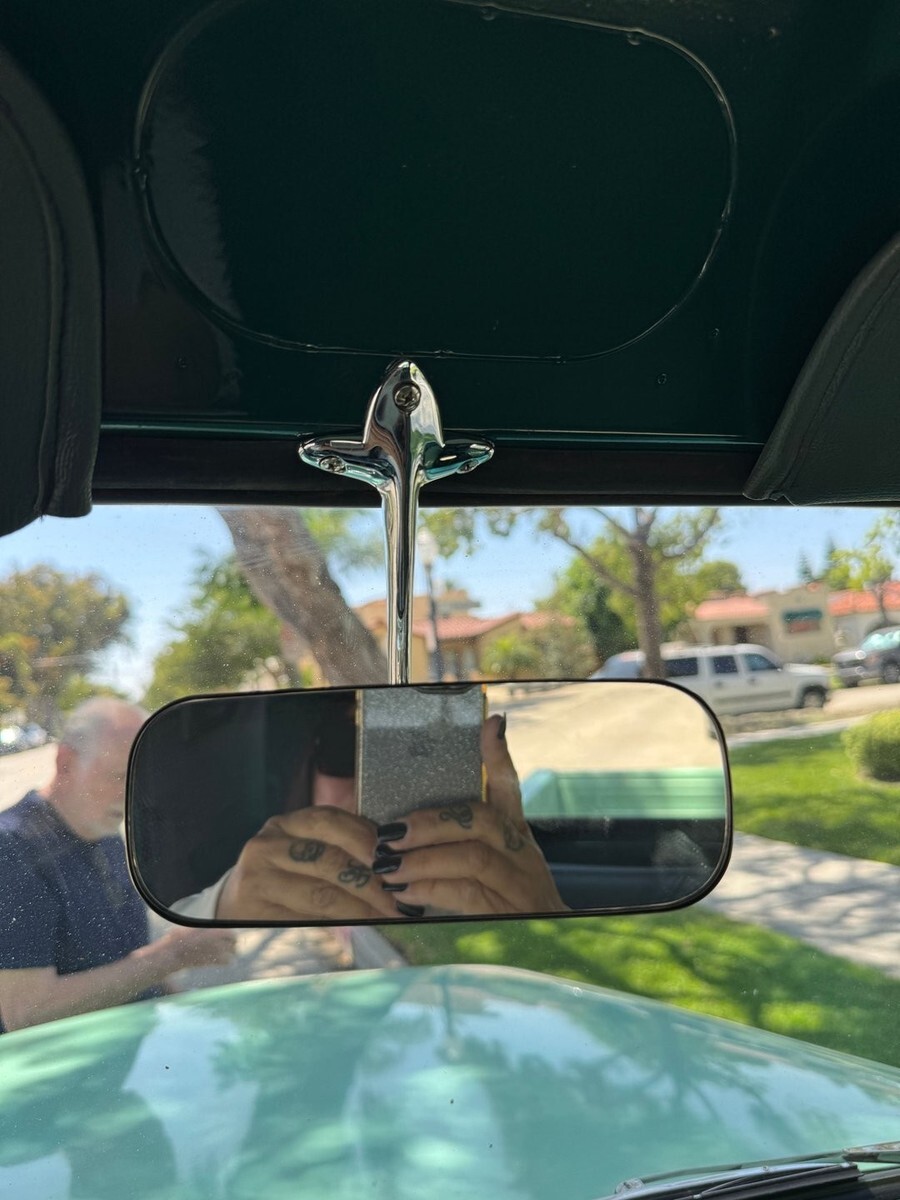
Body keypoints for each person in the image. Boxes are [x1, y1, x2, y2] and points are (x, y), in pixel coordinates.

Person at [0, 698, 234, 1033]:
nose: (135, 796)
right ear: (66, 762)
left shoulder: (107, 835)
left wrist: (191, 1016)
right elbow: (25, 1012)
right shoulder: (12, 849)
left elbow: (130, 959)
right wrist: (173, 956)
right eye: (120, 776)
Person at [196, 713, 567, 921]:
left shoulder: (498, 889)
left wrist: (544, 917)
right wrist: (225, 908)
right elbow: (168, 945)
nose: (372, 781)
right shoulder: (257, 896)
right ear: (297, 776)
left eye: (411, 755)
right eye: (346, 751)